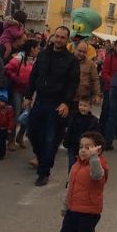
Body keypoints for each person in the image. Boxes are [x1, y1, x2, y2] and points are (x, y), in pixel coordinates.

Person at [24, 26, 80, 186]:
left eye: (63, 37)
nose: (59, 39)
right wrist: (28, 96)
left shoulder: (72, 60)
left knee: (50, 138)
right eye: (57, 36)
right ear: (53, 37)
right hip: (40, 100)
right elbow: (34, 76)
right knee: (32, 132)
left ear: (67, 40)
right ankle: (42, 158)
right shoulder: (43, 55)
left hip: (57, 104)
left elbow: (72, 84)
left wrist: (66, 103)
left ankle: (44, 172)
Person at [49, 131, 108, 232]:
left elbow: (96, 175)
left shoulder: (99, 165)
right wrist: (65, 206)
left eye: (88, 147)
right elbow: (70, 188)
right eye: (81, 146)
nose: (82, 150)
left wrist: (94, 157)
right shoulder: (76, 165)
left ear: (98, 150)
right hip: (73, 208)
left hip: (89, 211)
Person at [4, 39, 39, 149]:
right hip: (17, 90)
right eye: (37, 48)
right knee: (16, 114)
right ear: (32, 48)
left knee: (28, 114)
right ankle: (11, 139)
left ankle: (20, 136)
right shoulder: (18, 58)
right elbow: (7, 69)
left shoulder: (37, 60)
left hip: (30, 92)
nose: (38, 50)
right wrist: (17, 79)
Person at [63, 100, 100, 175]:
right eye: (80, 105)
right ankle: (71, 180)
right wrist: (66, 141)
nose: (82, 107)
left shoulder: (93, 120)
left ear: (90, 107)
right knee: (72, 164)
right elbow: (69, 129)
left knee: (84, 165)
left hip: (85, 147)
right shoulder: (73, 116)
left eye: (85, 106)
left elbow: (95, 135)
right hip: (73, 145)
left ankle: (81, 178)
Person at [100, 38, 117, 132]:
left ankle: (115, 131)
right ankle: (101, 130)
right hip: (109, 89)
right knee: (106, 110)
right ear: (114, 47)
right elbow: (104, 73)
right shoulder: (109, 58)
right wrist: (114, 82)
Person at [73, 40, 102, 107]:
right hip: (68, 97)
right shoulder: (69, 61)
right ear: (75, 49)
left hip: (83, 99)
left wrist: (97, 94)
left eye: (84, 52)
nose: (82, 54)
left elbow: (95, 79)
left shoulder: (91, 64)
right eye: (80, 51)